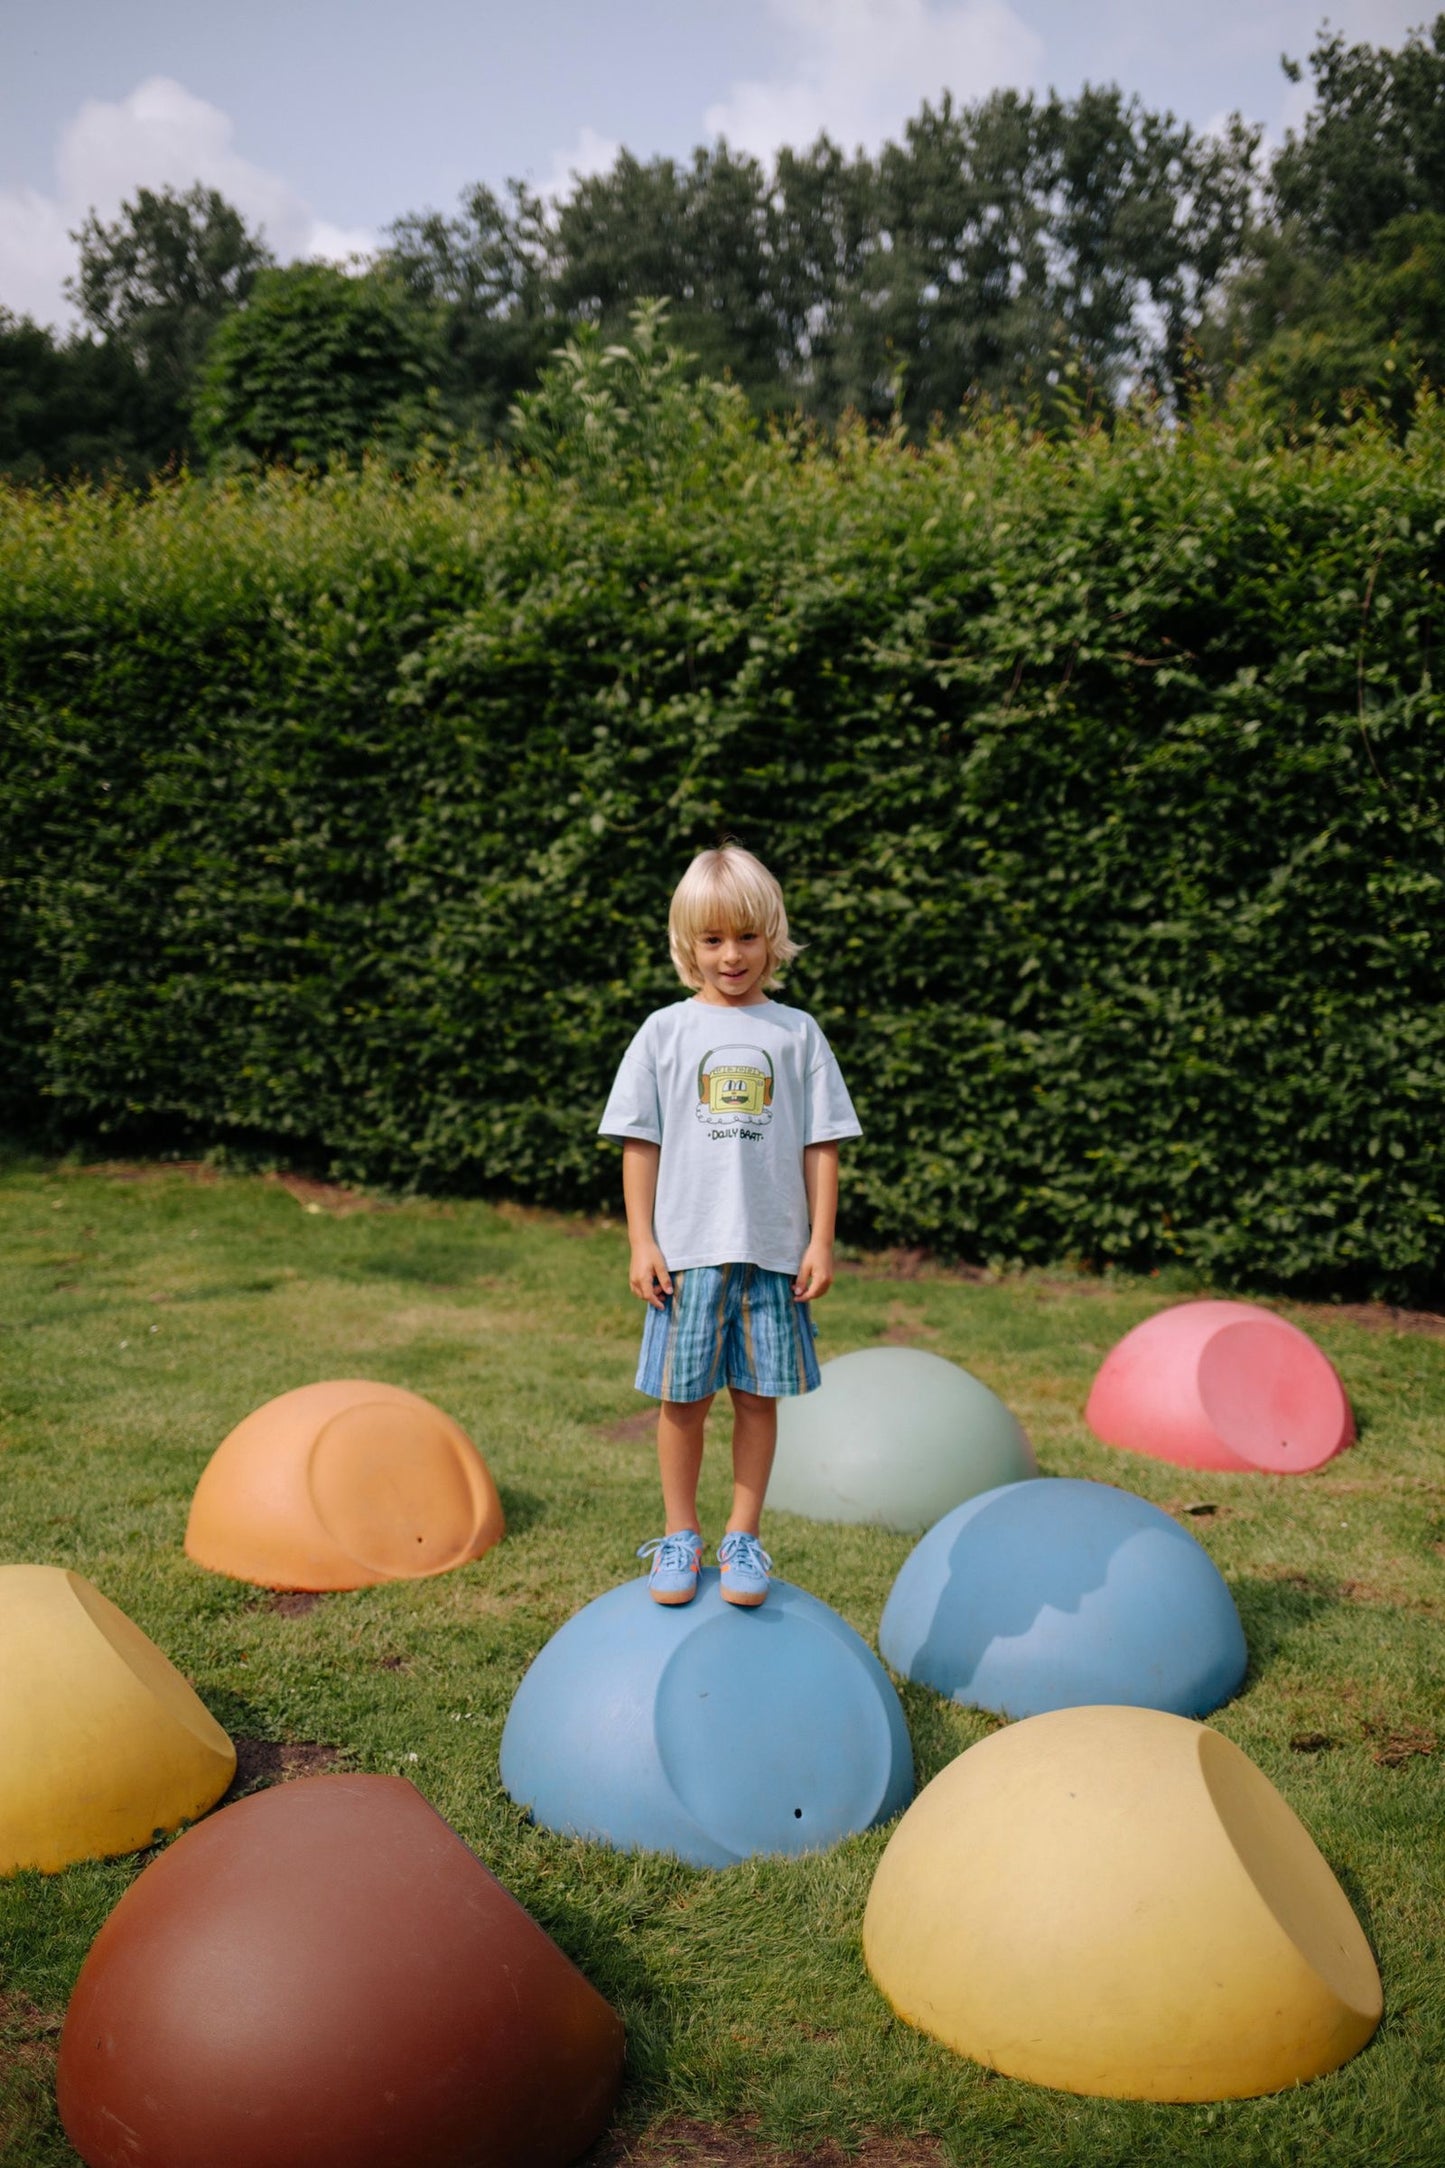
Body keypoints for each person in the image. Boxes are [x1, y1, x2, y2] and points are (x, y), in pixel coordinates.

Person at [598, 844, 861, 1608]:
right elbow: (637, 1142)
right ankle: (680, 1536)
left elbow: (822, 1144)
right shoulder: (663, 1033)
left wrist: (818, 1239)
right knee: (683, 1403)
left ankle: (742, 1536)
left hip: (773, 1254)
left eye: (745, 936)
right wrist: (642, 1240)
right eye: (712, 940)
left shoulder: (797, 1033)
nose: (731, 955)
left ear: (771, 936)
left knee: (755, 1399)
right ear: (688, 946)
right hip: (686, 1256)